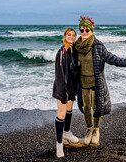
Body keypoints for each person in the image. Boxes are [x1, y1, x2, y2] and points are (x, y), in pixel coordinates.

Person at [75, 16, 126, 147]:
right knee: (86, 108)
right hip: (83, 84)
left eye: (87, 30)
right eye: (82, 30)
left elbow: (111, 58)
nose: (84, 32)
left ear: (91, 31)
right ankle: (89, 130)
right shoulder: (77, 47)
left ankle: (96, 130)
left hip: (96, 83)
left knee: (97, 108)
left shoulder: (98, 46)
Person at [52, 28, 80, 158]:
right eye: (69, 35)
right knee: (61, 114)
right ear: (64, 36)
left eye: (73, 35)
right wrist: (62, 93)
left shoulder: (74, 51)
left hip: (71, 87)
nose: (71, 37)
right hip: (61, 88)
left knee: (69, 109)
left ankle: (67, 133)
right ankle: (59, 145)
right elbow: (59, 75)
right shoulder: (61, 52)